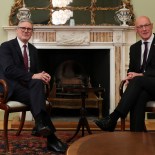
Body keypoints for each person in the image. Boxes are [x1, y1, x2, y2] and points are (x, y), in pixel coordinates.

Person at [0, 18, 67, 153]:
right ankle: (50, 137)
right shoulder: (6, 46)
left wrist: (43, 76)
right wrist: (33, 76)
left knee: (37, 84)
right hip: (9, 87)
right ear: (17, 30)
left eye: (29, 29)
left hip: (27, 88)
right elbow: (9, 70)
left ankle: (41, 126)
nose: (26, 31)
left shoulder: (33, 50)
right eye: (23, 28)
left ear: (32, 32)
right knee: (38, 98)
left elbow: (35, 72)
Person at [94, 16, 155, 132]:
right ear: (136, 30)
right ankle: (136, 137)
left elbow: (140, 75)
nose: (144, 29)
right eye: (140, 27)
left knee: (137, 81)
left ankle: (113, 118)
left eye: (146, 25)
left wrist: (140, 75)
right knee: (139, 96)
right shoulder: (134, 48)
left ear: (151, 26)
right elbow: (132, 69)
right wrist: (129, 76)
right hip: (143, 88)